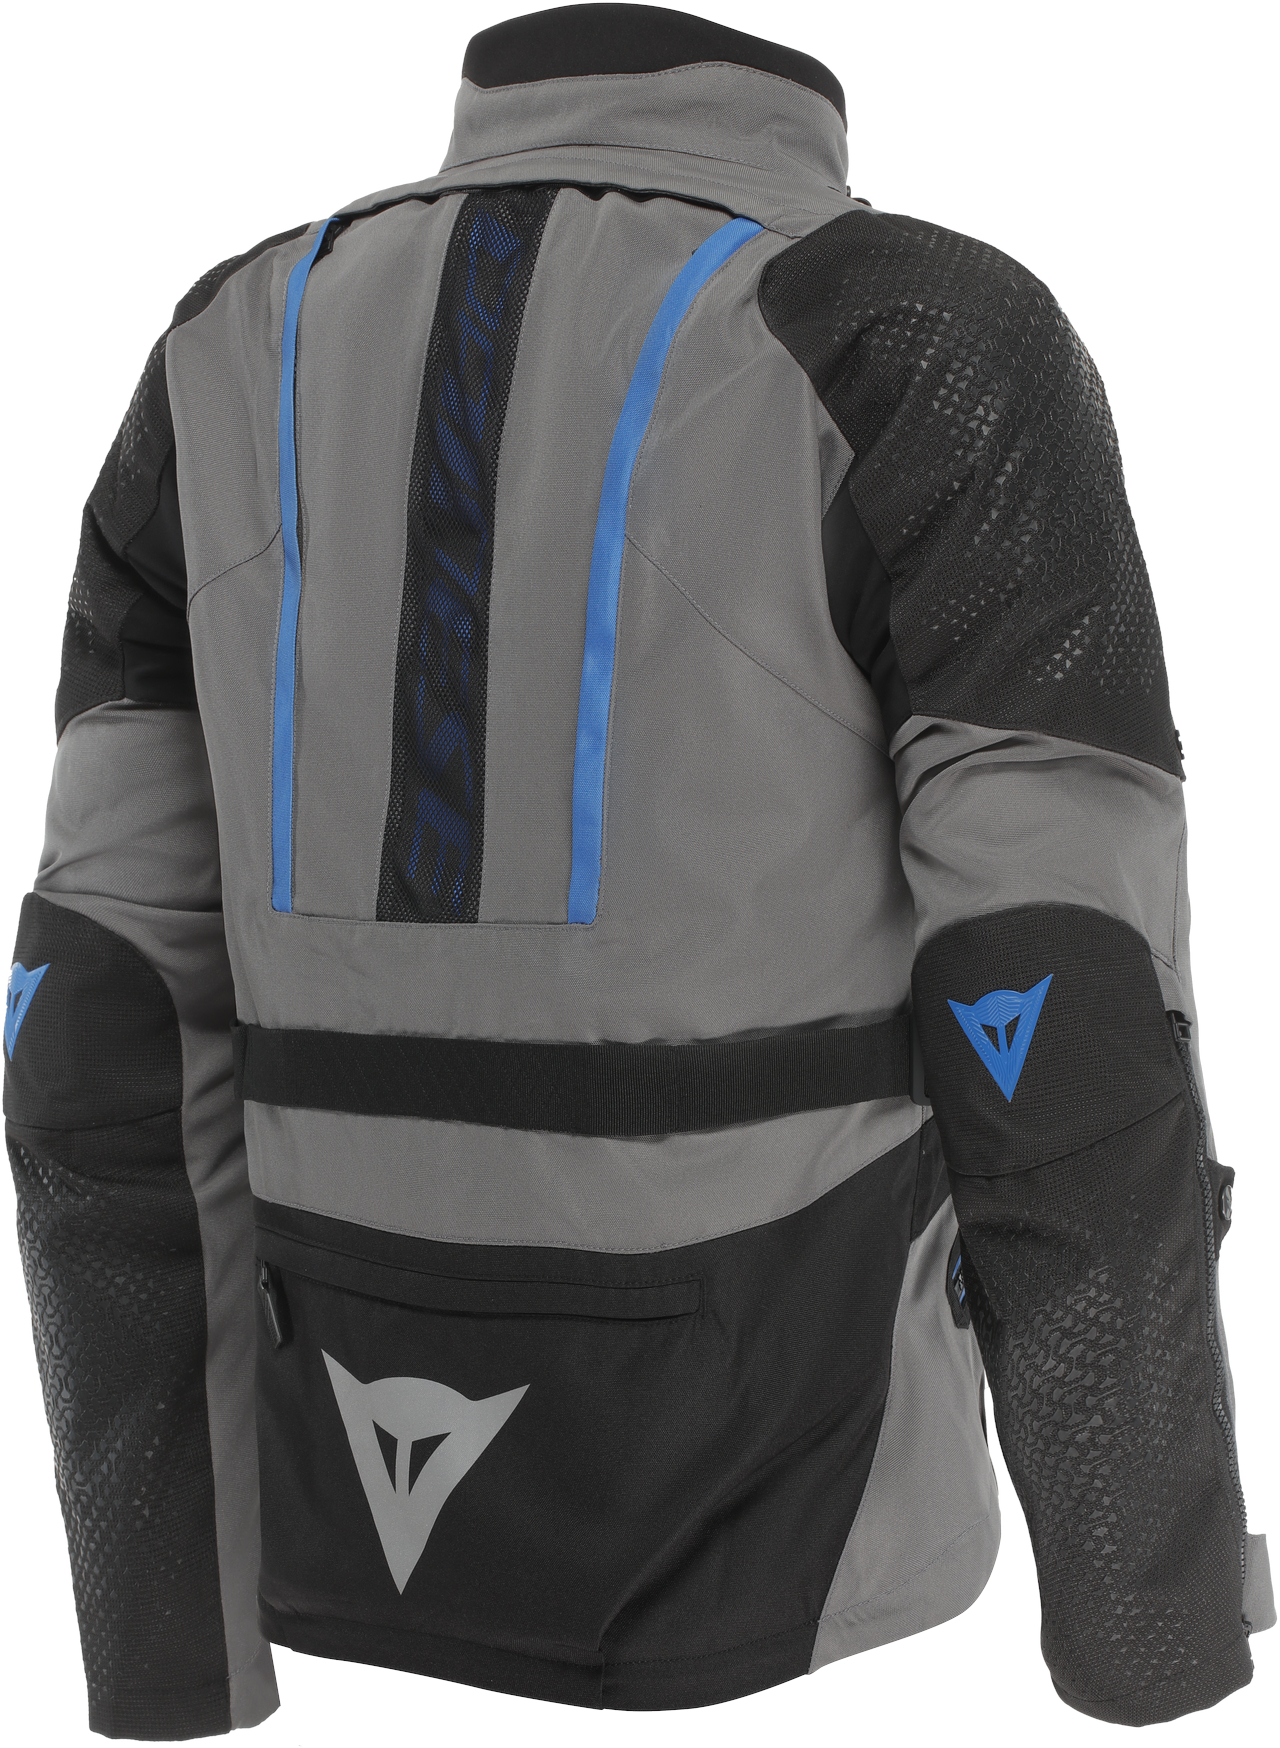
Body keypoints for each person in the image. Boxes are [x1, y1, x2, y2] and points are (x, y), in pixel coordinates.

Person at [4, 5, 1271, 1737]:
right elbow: (1060, 1001)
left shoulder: (220, 344)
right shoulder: (915, 327)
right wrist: (1153, 1617)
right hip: (811, 1590)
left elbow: (92, 1020)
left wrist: (168, 1661)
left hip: (327, 1539)